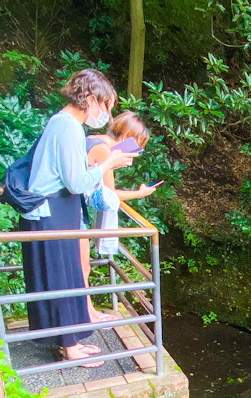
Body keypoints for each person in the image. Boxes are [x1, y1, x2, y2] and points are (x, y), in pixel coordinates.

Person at [20, 69, 136, 366]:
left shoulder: (63, 123)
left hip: (54, 210)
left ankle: (66, 343)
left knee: (63, 275)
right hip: (52, 210)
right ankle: (69, 347)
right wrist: (109, 161)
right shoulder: (68, 126)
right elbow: (75, 183)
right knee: (60, 277)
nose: (108, 114)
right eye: (107, 105)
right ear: (89, 98)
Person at [81, 111, 159, 323]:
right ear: (126, 136)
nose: (136, 152)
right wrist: (139, 193)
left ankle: (89, 311)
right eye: (137, 147)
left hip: (73, 207)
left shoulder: (92, 139)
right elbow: (109, 193)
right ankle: (87, 314)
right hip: (73, 211)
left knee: (83, 266)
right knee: (82, 267)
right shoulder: (104, 150)